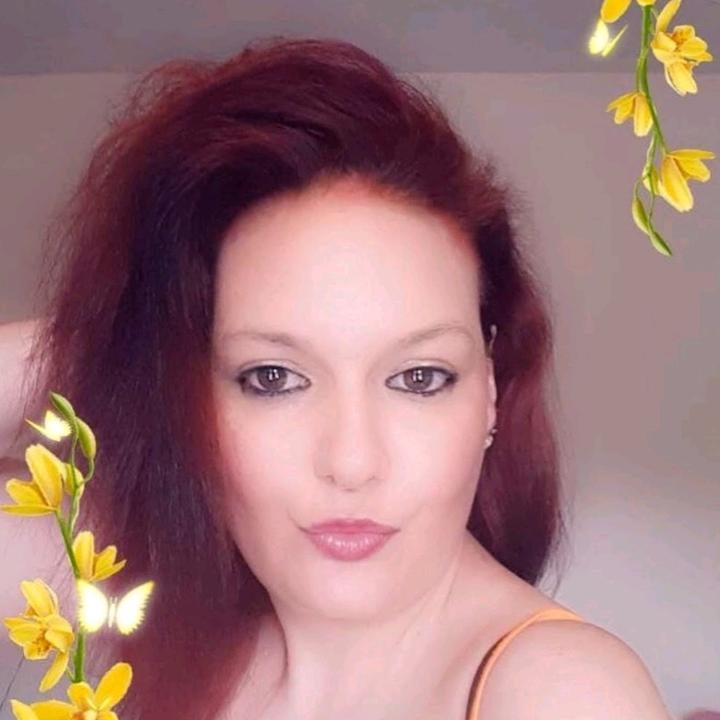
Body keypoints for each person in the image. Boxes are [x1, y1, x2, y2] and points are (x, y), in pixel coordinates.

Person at [0, 37, 673, 720]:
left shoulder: (562, 693)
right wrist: (115, 349)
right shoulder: (170, 597)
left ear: (491, 390)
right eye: (272, 378)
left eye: (419, 377)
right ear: (191, 391)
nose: (351, 463)